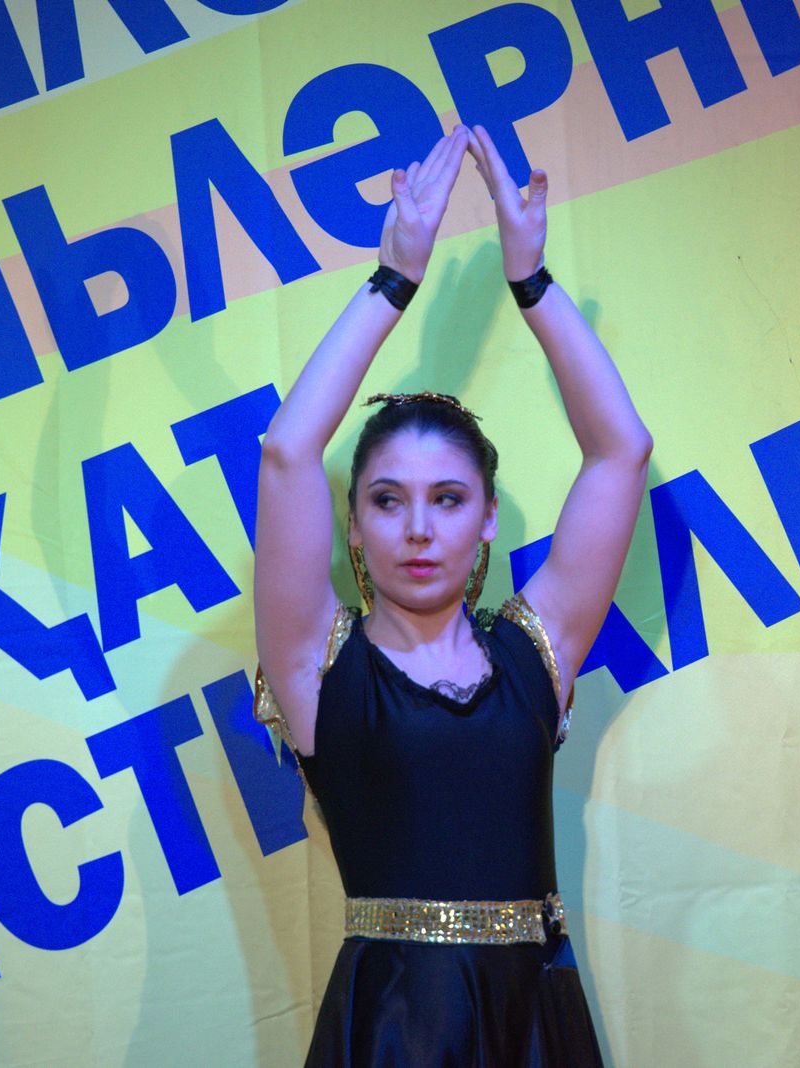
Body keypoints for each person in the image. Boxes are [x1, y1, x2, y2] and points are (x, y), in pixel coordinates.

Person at [253, 122, 652, 1066]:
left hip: (536, 1027)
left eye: (448, 499)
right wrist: (393, 279)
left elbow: (621, 451)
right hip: (391, 1032)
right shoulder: (319, 666)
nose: (419, 529)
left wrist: (532, 280)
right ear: (353, 526)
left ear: (487, 522)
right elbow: (288, 451)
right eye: (387, 501)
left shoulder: (535, 653)